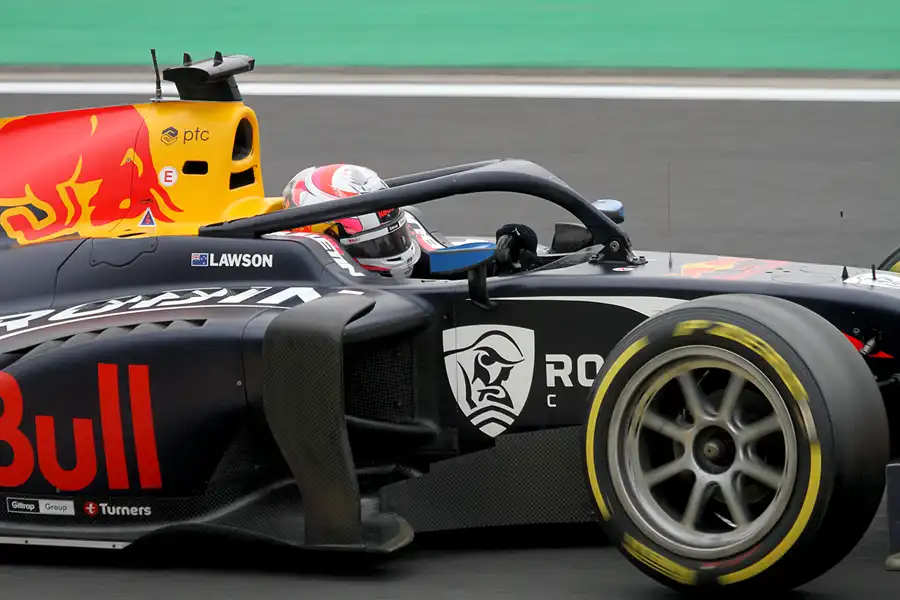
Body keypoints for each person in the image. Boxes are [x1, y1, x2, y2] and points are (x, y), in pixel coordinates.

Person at [282, 163, 539, 279]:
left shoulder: (411, 243)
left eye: (395, 236)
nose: (395, 249)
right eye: (377, 244)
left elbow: (439, 262)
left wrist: (501, 257)